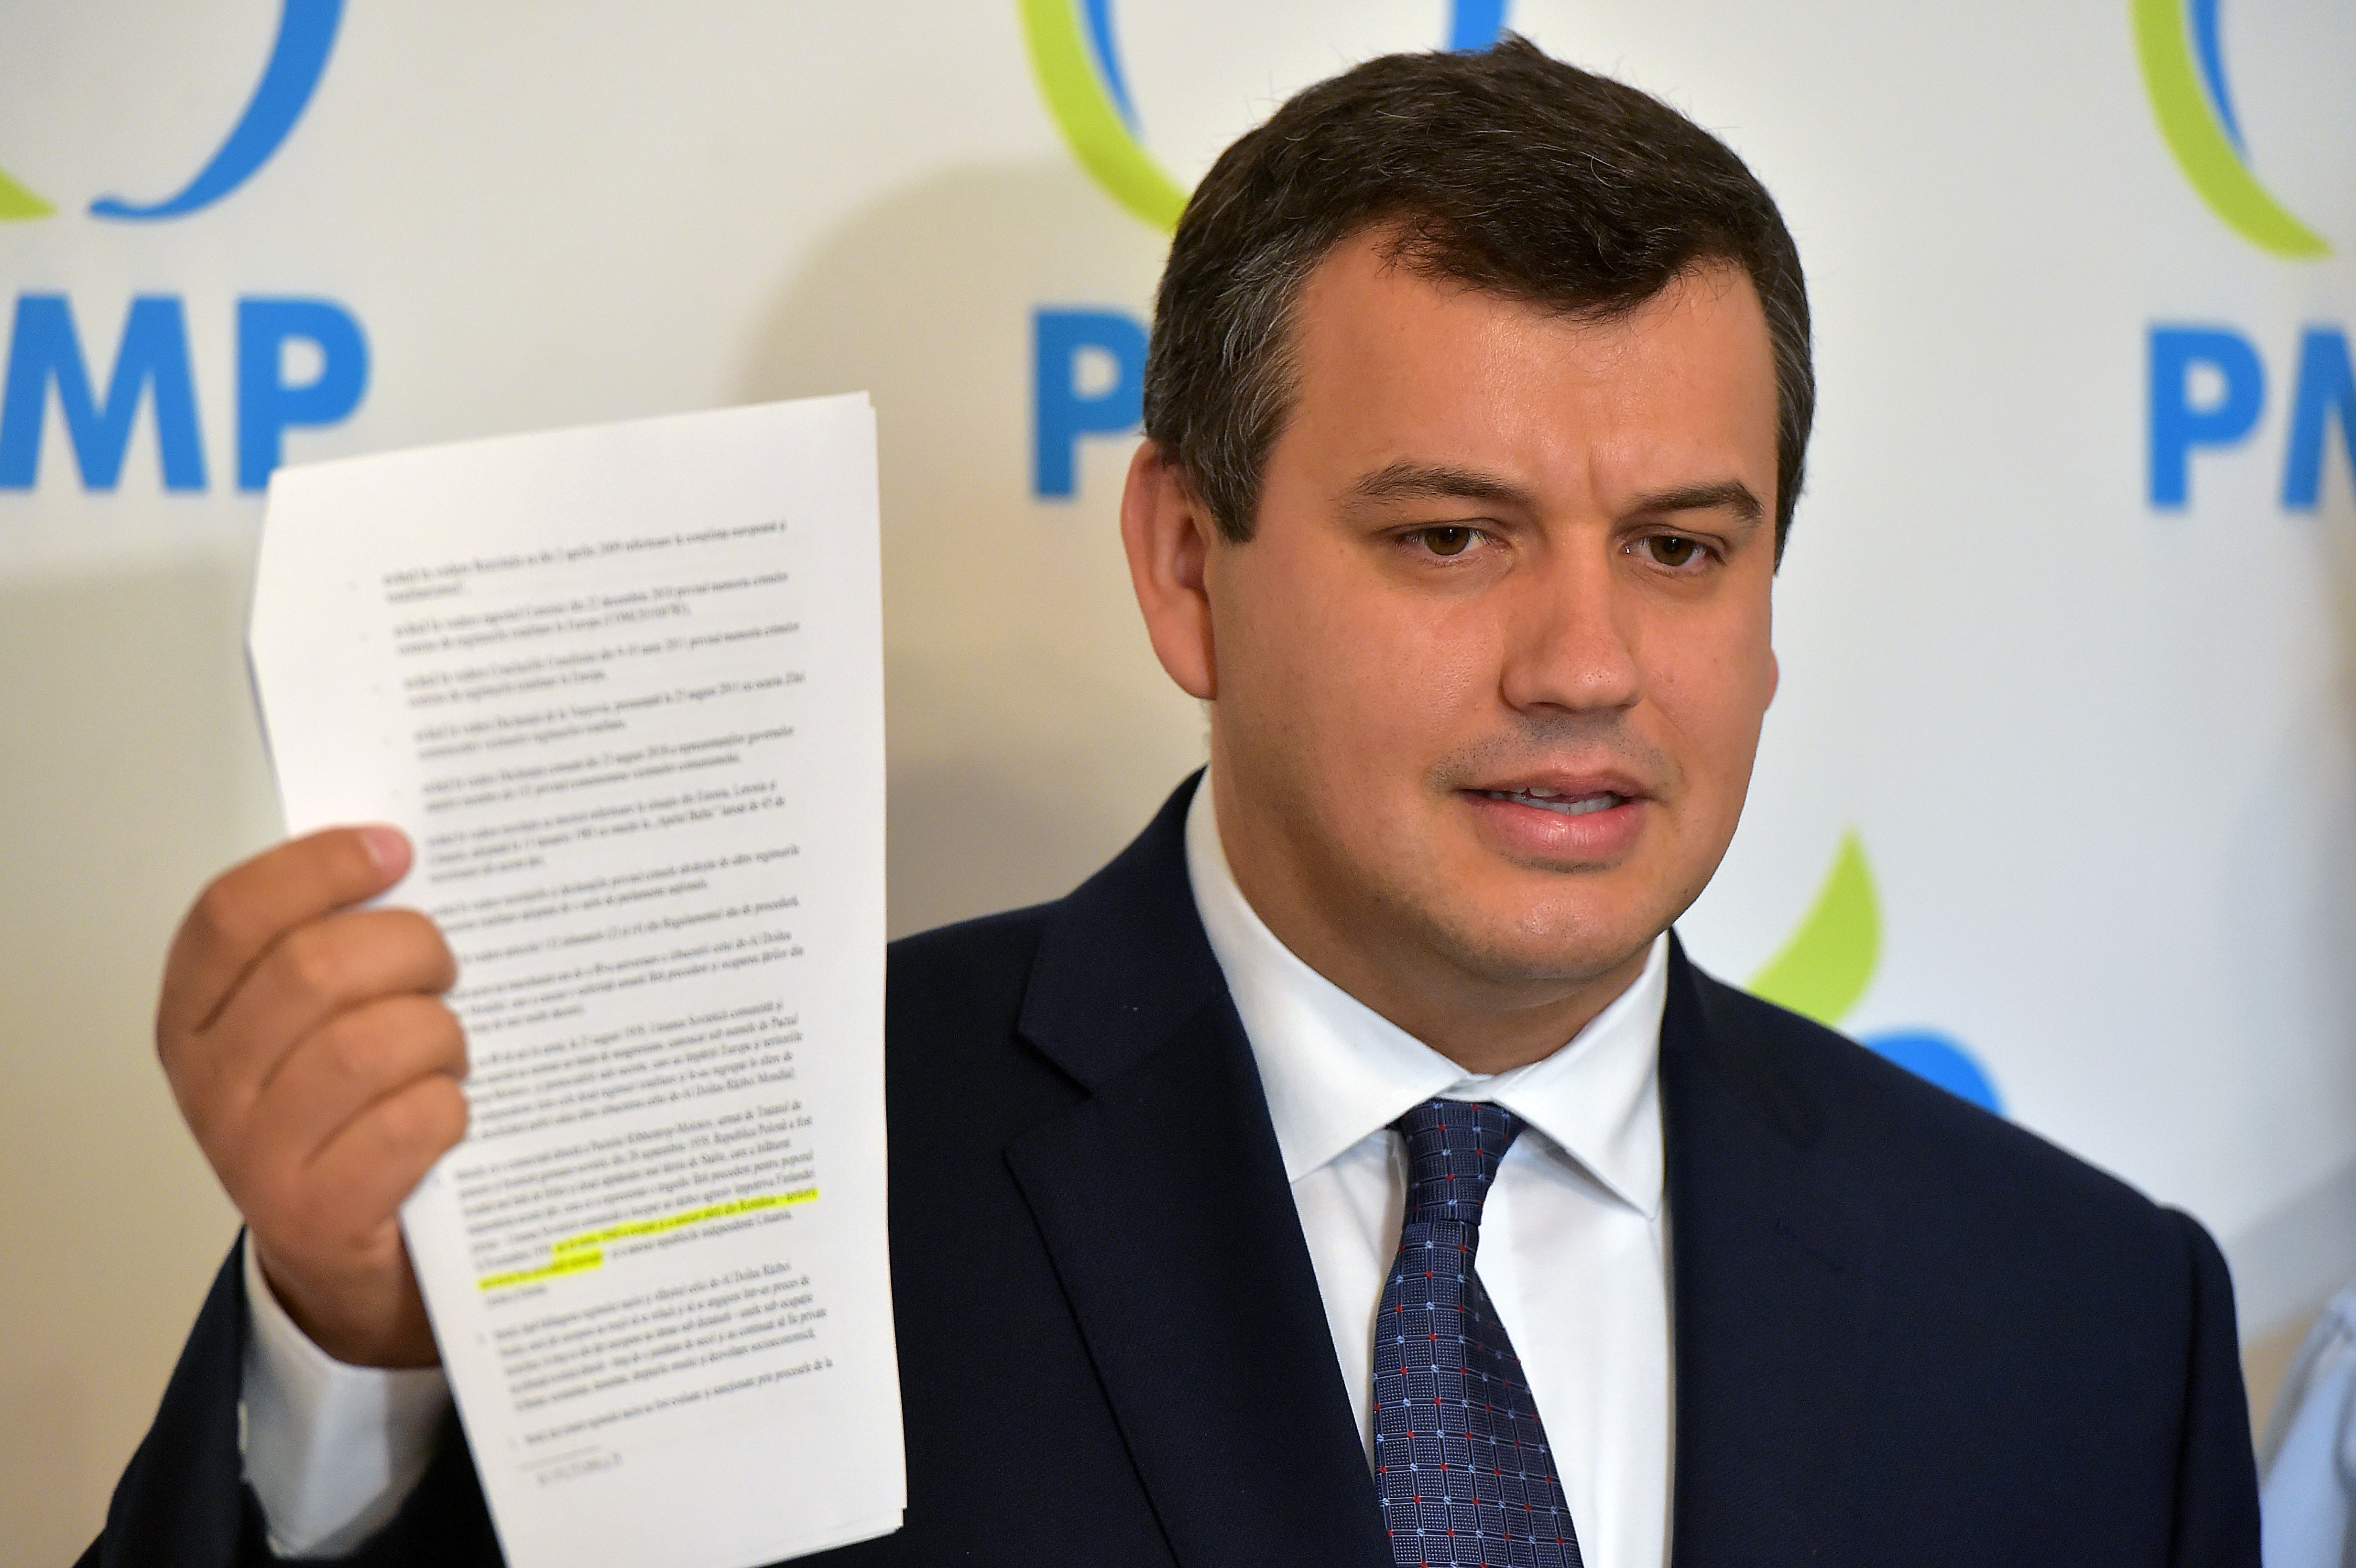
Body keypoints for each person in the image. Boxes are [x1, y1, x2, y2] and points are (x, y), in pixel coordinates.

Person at [83, 37, 2258, 1568]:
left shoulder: (2082, 1324)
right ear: (1184, 565)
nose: (1586, 664)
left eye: (1681, 547)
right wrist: (355, 1358)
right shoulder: (747, 1175)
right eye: (1452, 536)